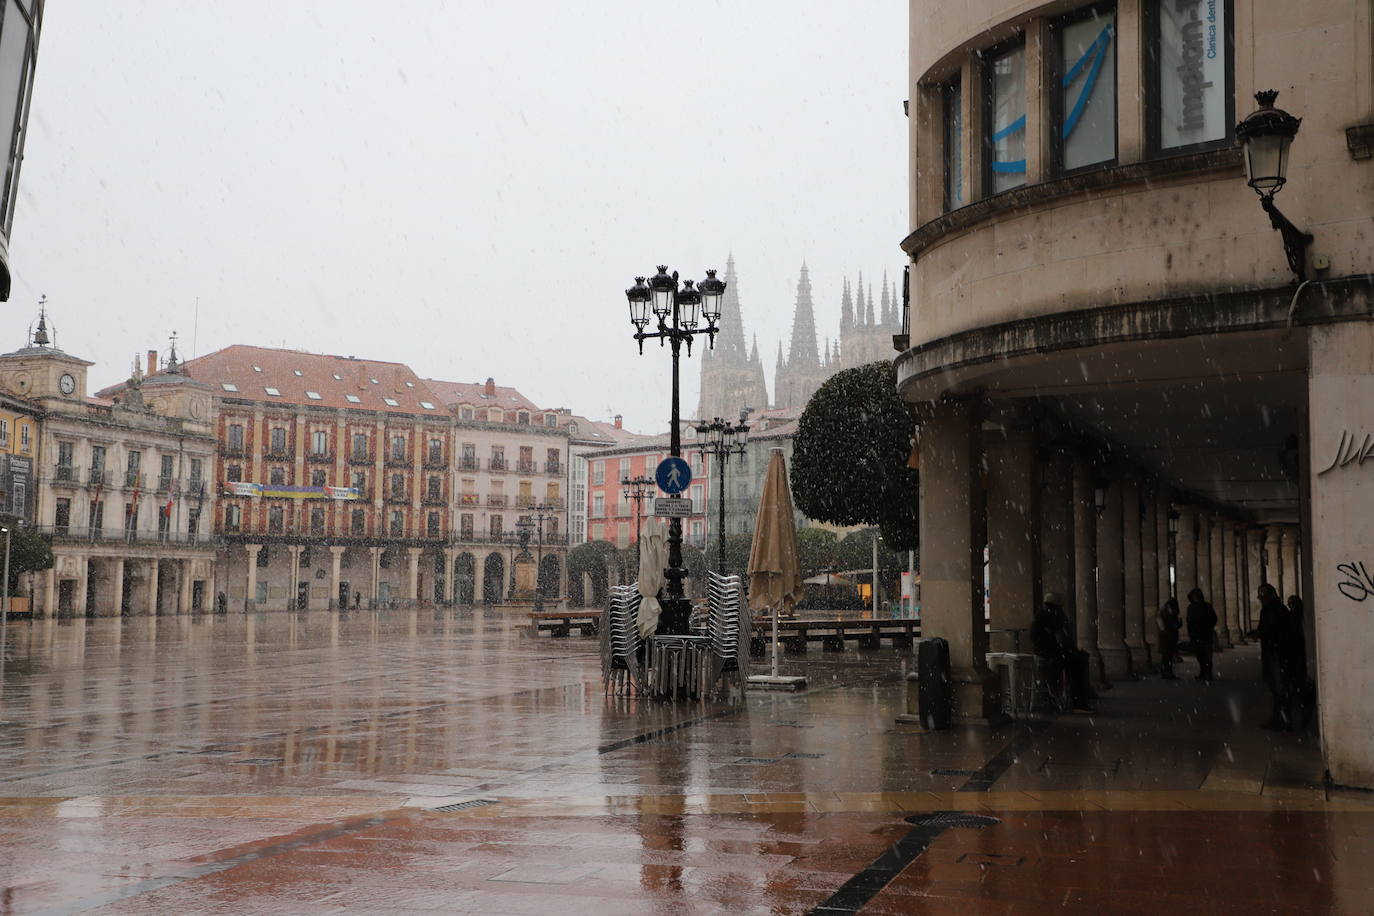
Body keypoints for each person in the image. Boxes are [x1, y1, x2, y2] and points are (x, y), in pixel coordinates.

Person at [1031, 592, 1093, 712]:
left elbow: (1063, 638)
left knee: (1079, 660)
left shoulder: (1052, 617)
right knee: (1077, 665)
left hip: (1057, 653)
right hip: (1051, 655)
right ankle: (1078, 701)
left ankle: (1079, 698)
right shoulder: (1046, 618)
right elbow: (1040, 640)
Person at [1254, 584, 1289, 727]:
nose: (1261, 599)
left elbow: (1270, 630)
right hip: (1277, 652)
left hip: (1275, 653)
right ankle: (1281, 719)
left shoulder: (1271, 610)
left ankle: (1280, 720)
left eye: (1262, 597)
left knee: (1278, 687)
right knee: (1278, 687)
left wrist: (1260, 633)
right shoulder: (1279, 609)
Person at [1186, 588, 1217, 681]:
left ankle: (1207, 673)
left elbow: (1213, 619)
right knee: (1200, 655)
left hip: (1203, 634)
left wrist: (1207, 627)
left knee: (1205, 655)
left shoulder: (1206, 606)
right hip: (1199, 634)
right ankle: (1204, 672)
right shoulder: (1192, 607)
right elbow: (1189, 620)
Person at [1156, 598, 1182, 679]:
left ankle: (1165, 673)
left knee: (1166, 657)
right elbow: (1174, 625)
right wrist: (1179, 623)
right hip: (1169, 638)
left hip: (1165, 638)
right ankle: (1168, 673)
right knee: (1168, 657)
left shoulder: (1162, 613)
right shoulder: (1169, 614)